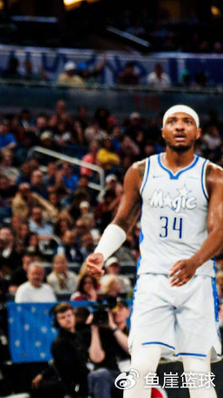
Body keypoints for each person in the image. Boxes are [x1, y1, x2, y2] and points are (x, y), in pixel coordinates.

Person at [86, 104, 223, 398]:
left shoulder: (214, 175)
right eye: (172, 121)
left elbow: (220, 231)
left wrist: (194, 262)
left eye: (187, 121)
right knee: (141, 368)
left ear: (198, 132)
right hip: (153, 279)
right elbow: (122, 221)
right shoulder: (140, 171)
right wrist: (101, 252)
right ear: (163, 131)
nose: (179, 126)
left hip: (197, 281)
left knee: (198, 373)